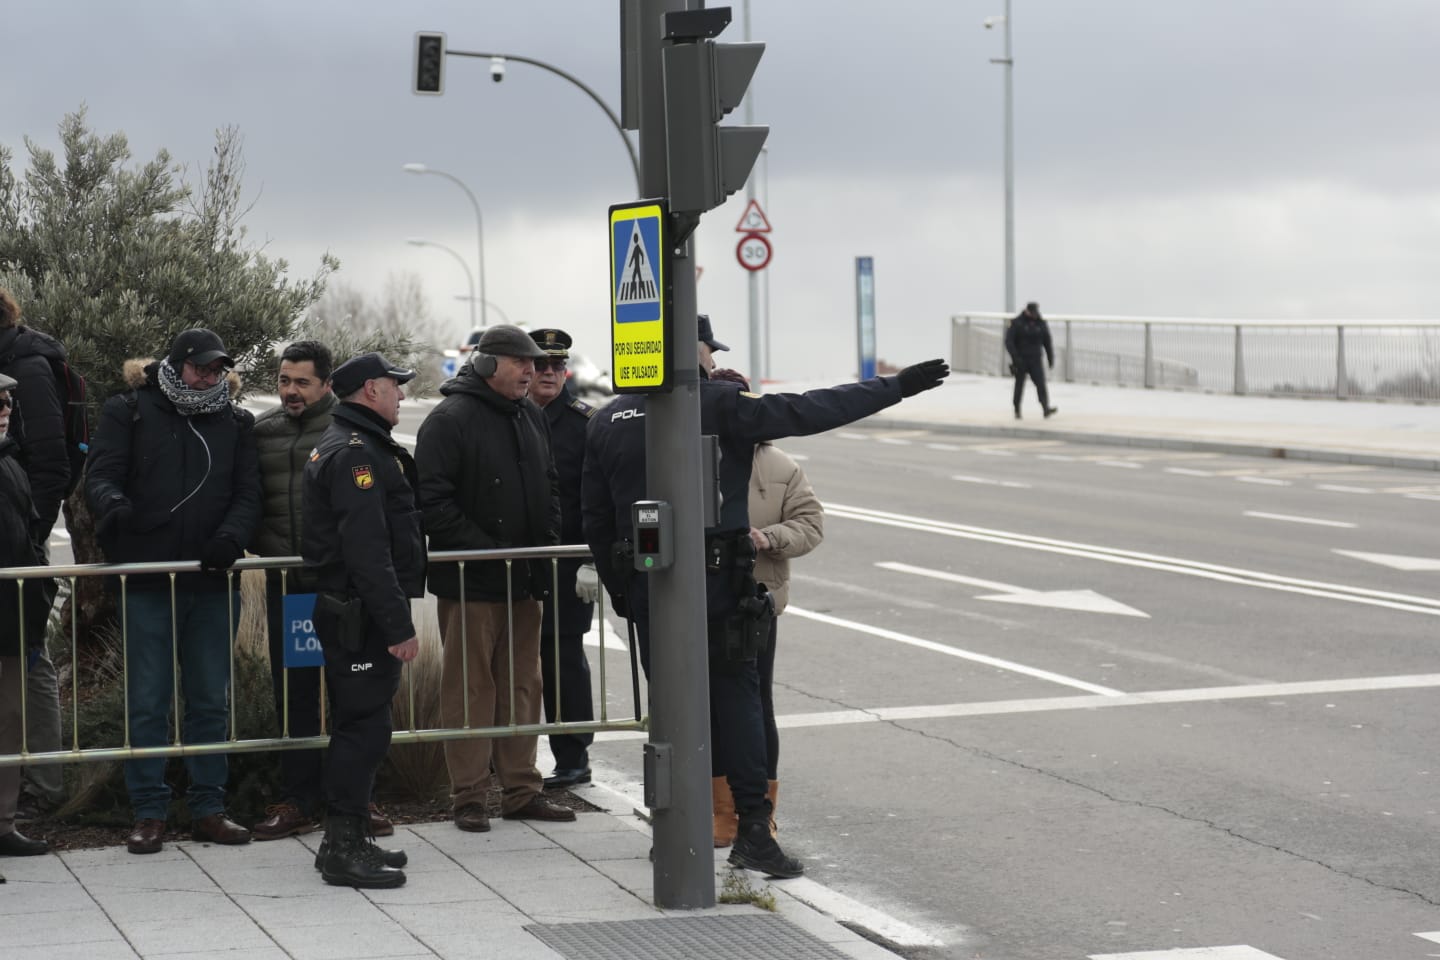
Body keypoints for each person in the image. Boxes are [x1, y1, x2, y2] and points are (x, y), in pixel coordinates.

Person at [582, 314, 949, 878]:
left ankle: (676, 828)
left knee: (675, 712)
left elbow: (598, 518)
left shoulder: (607, 420)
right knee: (739, 703)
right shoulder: (717, 403)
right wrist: (896, 387)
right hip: (720, 582)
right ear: (693, 353)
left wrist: (624, 593)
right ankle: (754, 829)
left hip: (650, 584)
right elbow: (808, 410)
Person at [85, 328, 260, 855]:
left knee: (210, 698)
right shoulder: (129, 410)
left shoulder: (234, 421)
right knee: (148, 699)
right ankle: (149, 811)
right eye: (200, 367)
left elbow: (248, 493)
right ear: (176, 363)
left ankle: (209, 807)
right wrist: (112, 505)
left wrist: (232, 536)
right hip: (147, 579)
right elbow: (100, 473)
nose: (209, 376)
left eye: (216, 369)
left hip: (211, 582)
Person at [414, 324, 573, 832]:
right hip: (471, 584)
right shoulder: (448, 421)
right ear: (487, 365)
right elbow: (432, 505)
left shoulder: (530, 416)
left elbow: (550, 485)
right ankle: (469, 797)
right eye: (521, 363)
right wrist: (492, 552)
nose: (532, 371)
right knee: (470, 691)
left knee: (524, 686)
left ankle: (522, 789)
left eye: (536, 364)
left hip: (524, 581)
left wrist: (542, 542)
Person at [249, 340, 390, 841]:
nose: (290, 390)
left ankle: (354, 801)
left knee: (352, 697)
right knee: (296, 695)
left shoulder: (346, 431)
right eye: (285, 380)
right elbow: (249, 502)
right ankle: (298, 799)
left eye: (302, 382)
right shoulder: (261, 431)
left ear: (327, 384)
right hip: (288, 587)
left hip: (343, 591)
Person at [301, 352, 423, 889]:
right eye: (395, 386)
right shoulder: (357, 457)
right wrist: (398, 626)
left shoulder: (357, 445)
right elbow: (368, 553)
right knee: (362, 730)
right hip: (361, 615)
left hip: (355, 610)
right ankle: (344, 847)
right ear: (371, 390)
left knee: (364, 725)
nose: (401, 395)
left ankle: (343, 837)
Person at [707, 368, 824, 847]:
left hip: (756, 606)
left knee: (756, 708)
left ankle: (760, 814)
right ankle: (719, 814)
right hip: (699, 602)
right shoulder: (689, 457)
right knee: (705, 709)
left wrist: (769, 538)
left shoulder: (780, 466)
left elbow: (811, 525)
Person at [0, 287, 68, 822]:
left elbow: (51, 464)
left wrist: (27, 541)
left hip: (17, 537)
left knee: (28, 656)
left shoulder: (29, 365)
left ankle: (44, 785)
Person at [526, 328, 598, 789]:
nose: (550, 374)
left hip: (567, 566)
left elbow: (596, 498)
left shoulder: (584, 422)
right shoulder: (508, 414)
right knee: (509, 663)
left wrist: (593, 559)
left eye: (557, 366)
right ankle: (507, 757)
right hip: (514, 562)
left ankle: (573, 756)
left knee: (562, 662)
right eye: (541, 366)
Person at [0, 371, 56, 870]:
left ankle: (4, 823)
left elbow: (32, 536)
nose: (3, 407)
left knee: (9, 724)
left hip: (13, 617)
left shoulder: (11, 459)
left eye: (5, 400)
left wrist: (39, 599)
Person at [1005, 301, 1057, 419]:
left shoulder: (1040, 323)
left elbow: (1047, 342)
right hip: (1020, 360)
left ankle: (1045, 408)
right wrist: (1015, 357)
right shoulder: (1017, 323)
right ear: (1027, 311)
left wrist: (1050, 358)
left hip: (1035, 360)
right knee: (1019, 386)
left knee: (1041, 384)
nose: (1035, 315)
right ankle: (1017, 409)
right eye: (1032, 313)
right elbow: (1009, 342)